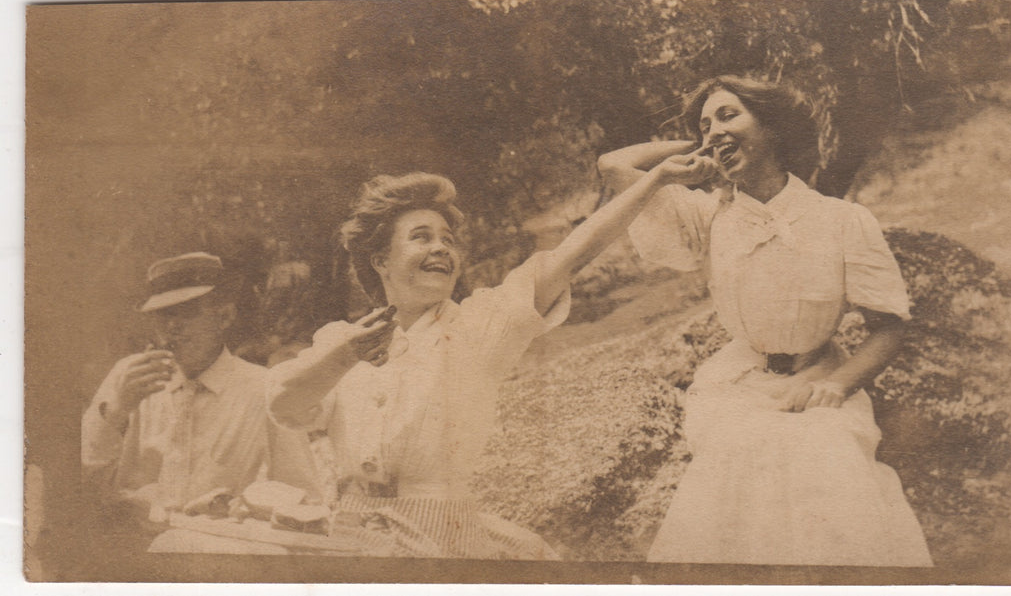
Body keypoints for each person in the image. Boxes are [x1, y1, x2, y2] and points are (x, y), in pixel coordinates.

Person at [267, 168, 712, 558]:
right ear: (381, 260)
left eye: (448, 240)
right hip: (349, 534)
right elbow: (284, 407)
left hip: (440, 537)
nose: (441, 249)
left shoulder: (479, 328)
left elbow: (571, 254)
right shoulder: (341, 341)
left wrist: (654, 181)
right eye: (421, 236)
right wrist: (345, 357)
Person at [598, 75, 932, 566]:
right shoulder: (706, 218)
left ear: (774, 125)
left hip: (819, 377)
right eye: (705, 123)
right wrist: (704, 143)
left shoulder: (842, 220)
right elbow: (613, 165)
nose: (714, 130)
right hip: (740, 384)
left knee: (831, 460)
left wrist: (838, 386)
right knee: (735, 468)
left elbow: (889, 326)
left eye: (729, 114)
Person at [81, 252, 270, 522]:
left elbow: (296, 496)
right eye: (162, 315)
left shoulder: (262, 389)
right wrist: (117, 412)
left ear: (225, 316)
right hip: (135, 548)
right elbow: (80, 479)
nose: (172, 327)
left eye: (188, 312)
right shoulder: (129, 377)